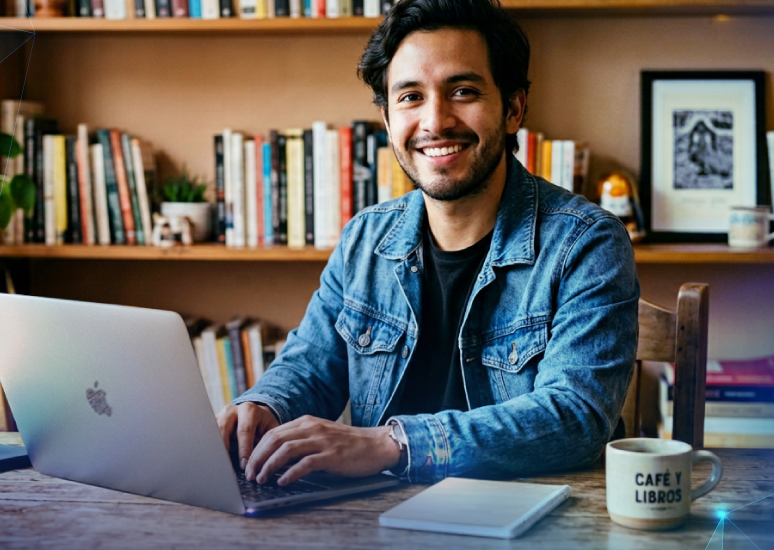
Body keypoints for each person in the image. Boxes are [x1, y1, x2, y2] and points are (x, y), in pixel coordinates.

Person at [219, 0, 640, 486]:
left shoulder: (586, 243)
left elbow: (574, 418)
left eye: (463, 91)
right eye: (410, 97)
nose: (435, 122)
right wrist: (260, 407)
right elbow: (311, 366)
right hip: (374, 521)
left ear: (513, 109)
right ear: (387, 119)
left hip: (529, 522)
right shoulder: (365, 238)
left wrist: (391, 444)